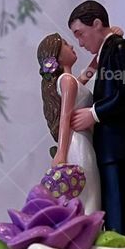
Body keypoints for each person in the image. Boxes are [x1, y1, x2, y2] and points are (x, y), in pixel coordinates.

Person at [67, 0, 125, 240]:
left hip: (121, 151)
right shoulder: (107, 53)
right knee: (112, 221)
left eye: (80, 34)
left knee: (120, 224)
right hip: (110, 151)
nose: (80, 43)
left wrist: (93, 113)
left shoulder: (121, 48)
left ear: (97, 24)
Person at [35, 32, 101, 214]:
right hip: (77, 144)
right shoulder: (67, 81)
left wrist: (107, 41)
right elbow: (65, 117)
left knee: (87, 192)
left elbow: (90, 70)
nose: (71, 46)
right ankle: (88, 229)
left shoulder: (71, 80)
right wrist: (61, 153)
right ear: (56, 55)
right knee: (89, 192)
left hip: (81, 140)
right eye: (65, 44)